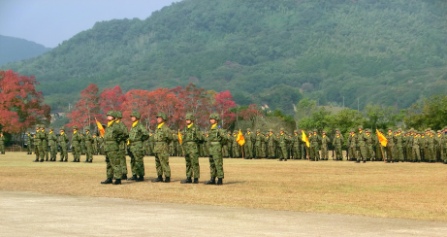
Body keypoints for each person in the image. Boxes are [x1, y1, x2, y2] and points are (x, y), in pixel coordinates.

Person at [101, 111, 125, 185]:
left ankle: (118, 179)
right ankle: (109, 178)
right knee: (108, 163)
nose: (108, 117)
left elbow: (123, 134)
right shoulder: (108, 126)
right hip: (107, 146)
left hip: (113, 146)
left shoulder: (116, 126)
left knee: (115, 162)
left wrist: (117, 140)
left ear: (113, 117)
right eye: (107, 115)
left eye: (109, 115)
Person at [181, 113, 204, 184]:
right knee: (188, 163)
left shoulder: (195, 128)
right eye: (186, 119)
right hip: (186, 148)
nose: (187, 121)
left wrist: (196, 144)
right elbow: (183, 139)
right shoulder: (185, 129)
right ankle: (188, 178)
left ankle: (196, 178)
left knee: (194, 163)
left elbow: (201, 138)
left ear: (192, 120)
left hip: (193, 148)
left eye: (188, 119)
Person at [127, 111, 149, 182]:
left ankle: (141, 176)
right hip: (132, 145)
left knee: (138, 161)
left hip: (137, 146)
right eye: (131, 117)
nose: (132, 118)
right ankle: (134, 175)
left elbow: (146, 134)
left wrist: (140, 140)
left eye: (133, 117)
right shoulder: (133, 126)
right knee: (133, 161)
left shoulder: (139, 126)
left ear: (137, 117)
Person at [206, 113, 227, 185]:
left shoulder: (218, 128)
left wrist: (220, 143)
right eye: (210, 119)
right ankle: (212, 179)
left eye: (212, 119)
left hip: (216, 147)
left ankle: (220, 179)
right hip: (211, 147)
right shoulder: (211, 128)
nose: (211, 120)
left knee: (218, 163)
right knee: (212, 163)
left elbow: (225, 137)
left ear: (216, 120)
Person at [152, 112, 173, 183]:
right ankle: (159, 176)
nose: (158, 119)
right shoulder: (158, 128)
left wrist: (165, 144)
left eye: (159, 118)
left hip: (163, 147)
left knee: (164, 162)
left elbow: (170, 137)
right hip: (157, 147)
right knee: (158, 163)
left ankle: (167, 177)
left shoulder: (165, 128)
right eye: (157, 118)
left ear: (163, 119)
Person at [114, 111, 129, 179]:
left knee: (122, 159)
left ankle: (124, 173)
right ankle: (117, 173)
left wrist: (119, 138)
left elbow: (126, 134)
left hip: (120, 144)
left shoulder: (122, 125)